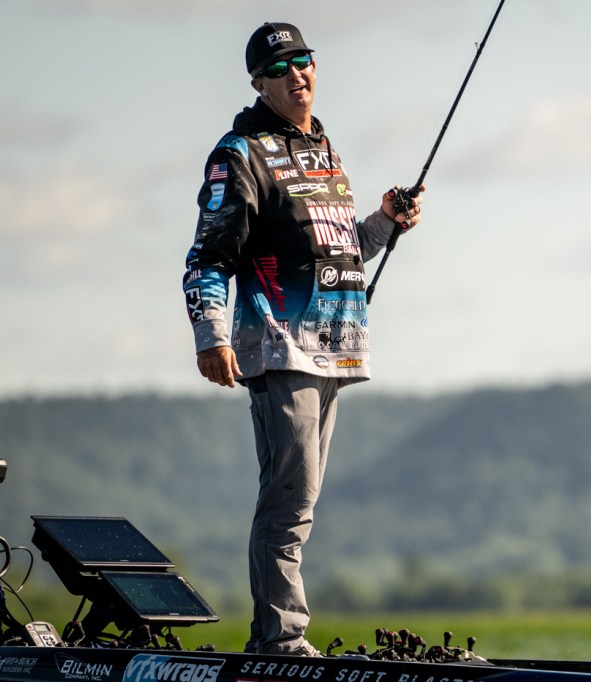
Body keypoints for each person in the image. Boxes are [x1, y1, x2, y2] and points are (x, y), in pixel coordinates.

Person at [181, 21, 423, 656]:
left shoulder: (324, 150)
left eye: (303, 60)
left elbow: (340, 251)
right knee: (289, 501)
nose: (295, 74)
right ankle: (279, 640)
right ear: (257, 83)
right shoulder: (240, 153)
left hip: (333, 348)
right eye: (278, 68)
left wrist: (385, 221)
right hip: (279, 346)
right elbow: (208, 256)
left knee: (302, 501)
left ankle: (274, 637)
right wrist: (211, 335)